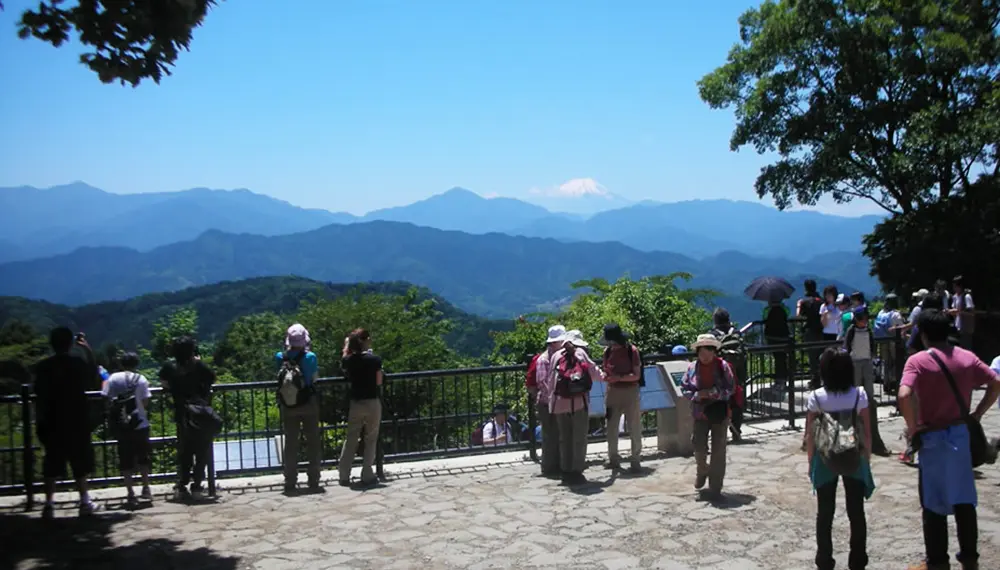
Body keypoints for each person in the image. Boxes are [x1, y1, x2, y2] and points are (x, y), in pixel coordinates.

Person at [899, 309, 1000, 570]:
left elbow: (904, 395)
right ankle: (969, 560)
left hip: (932, 438)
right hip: (960, 435)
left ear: (923, 334)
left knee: (933, 504)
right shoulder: (966, 358)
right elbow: (995, 382)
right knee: (964, 500)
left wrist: (913, 428)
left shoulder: (917, 362)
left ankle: (937, 562)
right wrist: (977, 414)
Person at [806, 347, 874, 570]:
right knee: (856, 511)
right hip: (854, 454)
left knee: (825, 512)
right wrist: (866, 458)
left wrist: (811, 462)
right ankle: (858, 560)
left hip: (825, 456)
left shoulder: (816, 397)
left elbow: (810, 435)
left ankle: (824, 559)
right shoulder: (859, 395)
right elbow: (867, 431)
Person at [33, 327, 100, 519]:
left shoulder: (43, 367)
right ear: (70, 344)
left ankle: (48, 505)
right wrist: (86, 348)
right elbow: (94, 373)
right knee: (79, 462)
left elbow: (37, 393)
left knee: (51, 462)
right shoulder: (77, 363)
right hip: (76, 420)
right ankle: (85, 501)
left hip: (52, 420)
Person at [541, 329, 601, 485]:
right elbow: (594, 372)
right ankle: (577, 471)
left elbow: (551, 380)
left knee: (565, 438)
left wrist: (552, 404)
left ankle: (566, 470)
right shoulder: (580, 353)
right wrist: (606, 376)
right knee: (579, 438)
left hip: (560, 403)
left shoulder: (556, 356)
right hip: (579, 403)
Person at [160, 335, 216, 501]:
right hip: (201, 412)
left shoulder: (169, 367)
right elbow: (212, 378)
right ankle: (197, 486)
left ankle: (182, 485)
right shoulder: (198, 365)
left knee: (185, 451)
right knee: (202, 451)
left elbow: (164, 383)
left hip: (181, 413)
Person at [680, 334, 735, 499]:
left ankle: (715, 487)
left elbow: (731, 388)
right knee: (698, 446)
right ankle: (702, 470)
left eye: (708, 352)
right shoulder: (692, 368)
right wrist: (697, 395)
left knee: (718, 450)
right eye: (701, 352)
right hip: (700, 413)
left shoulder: (723, 366)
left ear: (713, 351)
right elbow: (684, 388)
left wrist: (714, 393)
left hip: (719, 413)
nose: (704, 356)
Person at [102, 351, 153, 507]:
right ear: (136, 364)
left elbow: (106, 397)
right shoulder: (141, 379)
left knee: (125, 459)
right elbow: (145, 401)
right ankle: (146, 488)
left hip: (121, 425)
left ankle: (130, 492)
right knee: (143, 457)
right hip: (140, 423)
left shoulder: (112, 378)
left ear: (121, 363)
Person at [275, 324, 321, 493]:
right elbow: (314, 378)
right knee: (313, 442)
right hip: (308, 402)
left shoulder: (280, 357)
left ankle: (290, 480)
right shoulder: (310, 357)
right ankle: (313, 479)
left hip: (288, 404)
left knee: (291, 443)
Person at [338, 328, 383, 487]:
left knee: (351, 438)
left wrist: (346, 346)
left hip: (356, 402)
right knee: (371, 438)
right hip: (372, 402)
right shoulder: (375, 360)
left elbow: (344, 361)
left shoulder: (349, 360)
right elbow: (379, 382)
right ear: (364, 341)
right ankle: (367, 474)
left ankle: (344, 474)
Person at [599, 323, 643, 473]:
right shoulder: (607, 352)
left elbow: (636, 375)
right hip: (612, 391)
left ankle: (635, 459)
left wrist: (618, 377)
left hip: (630, 392)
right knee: (611, 427)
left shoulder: (632, 351)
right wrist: (607, 376)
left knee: (634, 426)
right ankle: (613, 458)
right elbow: (605, 369)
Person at [843, 307, 887, 455]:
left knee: (869, 383)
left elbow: (872, 343)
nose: (865, 321)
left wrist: (873, 355)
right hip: (855, 360)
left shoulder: (868, 330)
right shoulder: (852, 330)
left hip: (867, 359)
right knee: (856, 383)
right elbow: (846, 344)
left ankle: (869, 399)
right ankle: (856, 400)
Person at [528, 325, 566, 477]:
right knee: (550, 435)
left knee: (556, 434)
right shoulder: (544, 360)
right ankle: (550, 467)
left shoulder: (556, 356)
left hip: (555, 401)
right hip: (547, 402)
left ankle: (557, 464)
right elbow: (544, 384)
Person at [798, 280, 825, 389]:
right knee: (822, 356)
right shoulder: (821, 301)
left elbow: (799, 316)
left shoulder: (805, 302)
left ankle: (815, 380)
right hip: (823, 332)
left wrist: (798, 305)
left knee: (813, 357)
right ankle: (823, 378)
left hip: (810, 332)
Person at [762, 299, 791, 390]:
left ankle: (779, 381)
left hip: (773, 338)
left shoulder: (768, 310)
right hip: (784, 337)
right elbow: (788, 314)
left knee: (778, 359)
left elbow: (764, 318)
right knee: (783, 359)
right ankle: (784, 380)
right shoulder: (784, 309)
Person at [949, 275, 975, 350]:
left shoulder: (966, 297)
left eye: (955, 286)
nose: (954, 288)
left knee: (965, 349)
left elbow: (971, 313)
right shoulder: (955, 297)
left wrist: (958, 312)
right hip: (957, 327)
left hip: (965, 329)